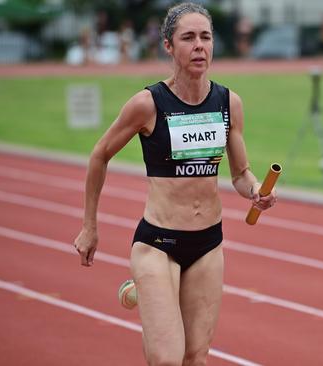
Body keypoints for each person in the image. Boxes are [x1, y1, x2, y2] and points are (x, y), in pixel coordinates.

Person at [72, 2, 277, 365]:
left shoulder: (228, 102)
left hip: (208, 244)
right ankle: (151, 286)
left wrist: (257, 191)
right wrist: (89, 226)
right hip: (158, 243)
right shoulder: (148, 103)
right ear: (168, 46)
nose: (199, 46)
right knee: (167, 359)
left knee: (195, 357)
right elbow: (99, 155)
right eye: (188, 38)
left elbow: (240, 174)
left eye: (206, 37)